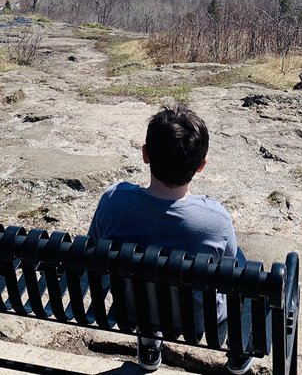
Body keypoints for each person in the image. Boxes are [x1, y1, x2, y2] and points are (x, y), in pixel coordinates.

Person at [88, 105, 252, 374]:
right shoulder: (216, 220)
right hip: (199, 321)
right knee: (243, 267)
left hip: (135, 310)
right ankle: (238, 353)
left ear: (145, 154)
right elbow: (229, 271)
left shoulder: (112, 202)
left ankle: (150, 341)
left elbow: (92, 249)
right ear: (201, 165)